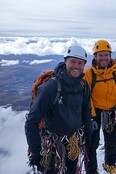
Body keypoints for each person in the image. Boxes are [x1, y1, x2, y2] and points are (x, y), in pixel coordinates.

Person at [25, 45, 93, 173]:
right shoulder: (52, 86)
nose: (76, 66)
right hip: (51, 143)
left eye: (80, 63)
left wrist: (89, 136)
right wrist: (36, 152)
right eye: (72, 61)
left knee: (71, 170)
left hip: (73, 140)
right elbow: (32, 121)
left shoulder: (83, 86)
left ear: (84, 64)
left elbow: (86, 111)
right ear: (65, 61)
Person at [83, 40, 116, 174]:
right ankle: (91, 171)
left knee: (111, 140)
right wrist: (91, 117)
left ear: (110, 56)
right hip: (94, 113)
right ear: (95, 57)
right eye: (100, 55)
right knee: (92, 144)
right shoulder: (88, 74)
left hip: (110, 112)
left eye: (106, 55)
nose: (103, 58)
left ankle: (110, 163)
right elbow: (86, 98)